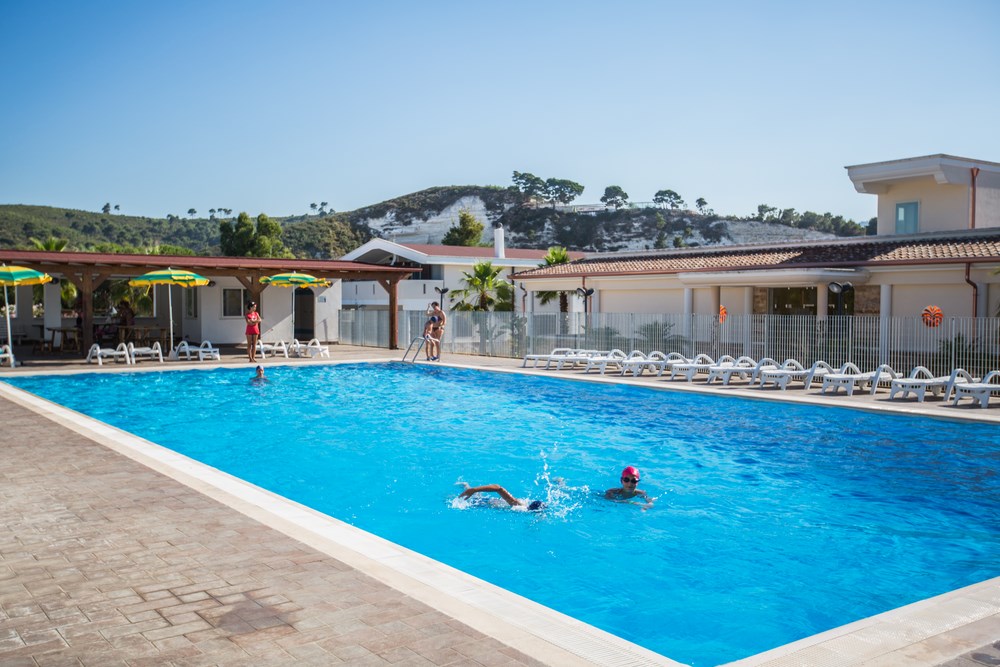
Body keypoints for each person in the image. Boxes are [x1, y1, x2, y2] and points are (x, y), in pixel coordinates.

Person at [458, 482, 544, 511]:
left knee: (477, 496)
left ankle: (467, 486)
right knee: (465, 499)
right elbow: (498, 488)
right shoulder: (518, 505)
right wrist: (474, 490)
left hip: (494, 501)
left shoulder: (524, 504)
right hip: (487, 503)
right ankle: (467, 486)